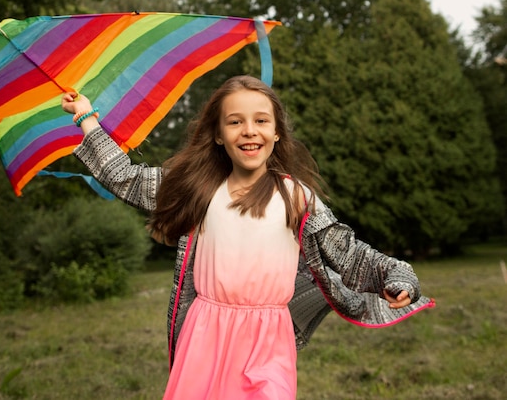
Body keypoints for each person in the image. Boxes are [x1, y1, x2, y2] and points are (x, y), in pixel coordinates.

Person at [62, 75, 434, 400]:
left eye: (260, 120)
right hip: (205, 331)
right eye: (235, 122)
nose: (249, 130)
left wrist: (396, 275)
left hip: (269, 337)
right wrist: (87, 117)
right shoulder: (200, 189)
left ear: (276, 132)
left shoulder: (296, 196)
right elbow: (126, 177)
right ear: (219, 135)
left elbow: (349, 253)